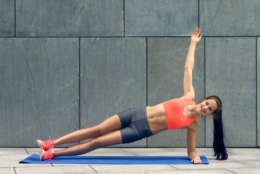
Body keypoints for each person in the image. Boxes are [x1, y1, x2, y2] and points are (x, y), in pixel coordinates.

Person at [37, 28, 228, 163]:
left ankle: (53, 155)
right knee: (96, 130)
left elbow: (191, 150)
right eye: (207, 103)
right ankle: (51, 143)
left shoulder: (192, 125)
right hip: (136, 113)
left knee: (96, 143)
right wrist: (193, 44)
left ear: (209, 115)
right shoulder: (189, 95)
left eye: (209, 109)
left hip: (139, 130)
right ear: (204, 100)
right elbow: (188, 67)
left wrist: (193, 156)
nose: (205, 107)